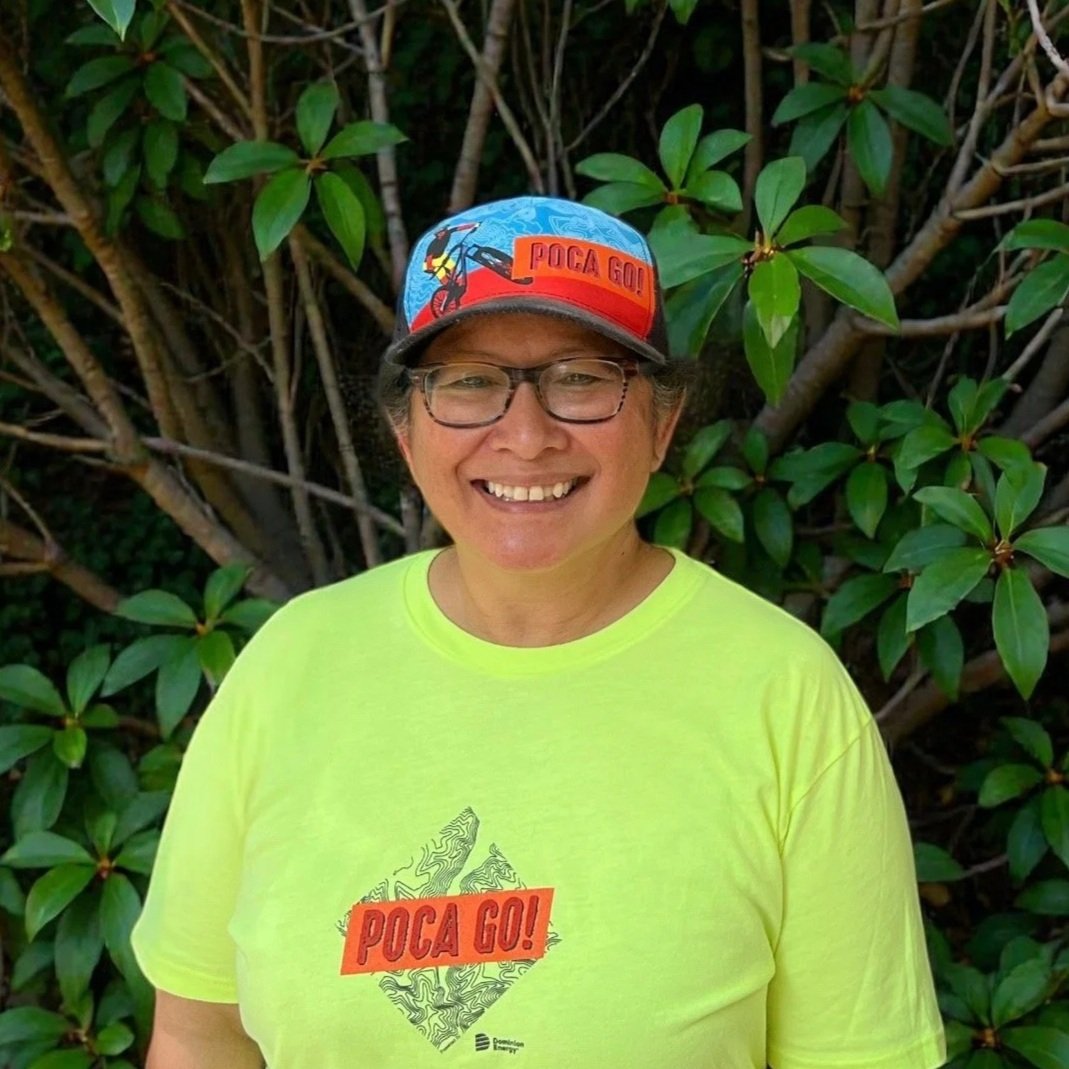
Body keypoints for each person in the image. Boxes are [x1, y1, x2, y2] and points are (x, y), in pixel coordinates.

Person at [131, 195, 946, 1069]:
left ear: (663, 421)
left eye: (582, 379)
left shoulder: (786, 693)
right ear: (407, 431)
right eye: (471, 382)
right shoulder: (290, 664)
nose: (525, 437)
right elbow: (199, 1034)